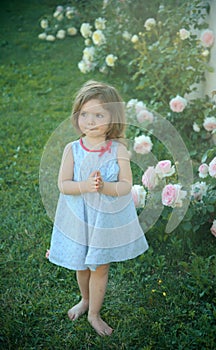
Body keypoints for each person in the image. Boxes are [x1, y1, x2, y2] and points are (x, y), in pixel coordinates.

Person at [48, 80, 148, 336]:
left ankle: (94, 313)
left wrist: (105, 187)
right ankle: (84, 299)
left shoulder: (118, 150)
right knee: (81, 265)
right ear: (77, 115)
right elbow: (63, 184)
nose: (90, 121)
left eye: (98, 115)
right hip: (79, 219)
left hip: (104, 221)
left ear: (112, 119)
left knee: (100, 266)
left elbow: (126, 185)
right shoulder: (72, 150)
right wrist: (84, 185)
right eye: (84, 114)